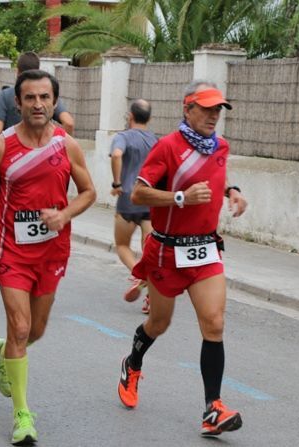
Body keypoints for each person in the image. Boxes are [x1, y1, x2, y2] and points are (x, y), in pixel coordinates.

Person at [0, 69, 95, 445]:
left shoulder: (67, 145)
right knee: (21, 327)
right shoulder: (1, 147)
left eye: (44, 97)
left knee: (35, 330)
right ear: (18, 102)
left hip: (52, 251)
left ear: (55, 102)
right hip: (10, 249)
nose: (38, 104)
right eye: (30, 98)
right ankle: (22, 414)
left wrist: (65, 214)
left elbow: (89, 192)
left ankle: (4, 352)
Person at [117, 80, 248, 438]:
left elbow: (214, 174)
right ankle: (132, 363)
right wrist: (180, 198)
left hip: (205, 250)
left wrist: (232, 190)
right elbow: (138, 192)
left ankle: (213, 409)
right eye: (206, 108)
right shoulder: (168, 147)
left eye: (218, 109)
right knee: (159, 323)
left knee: (214, 324)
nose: (214, 115)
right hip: (167, 252)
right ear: (187, 109)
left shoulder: (220, 146)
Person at [110, 99, 157, 313]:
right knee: (149, 250)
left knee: (122, 245)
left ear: (130, 116)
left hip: (128, 199)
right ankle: (151, 298)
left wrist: (117, 183)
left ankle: (139, 274)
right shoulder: (156, 140)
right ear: (149, 118)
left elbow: (117, 154)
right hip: (150, 199)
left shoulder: (123, 137)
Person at [0, 51, 75, 138]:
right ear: (38, 70)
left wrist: (12, 144)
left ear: (17, 72)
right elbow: (68, 123)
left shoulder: (5, 95)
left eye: (42, 97)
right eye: (29, 98)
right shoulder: (47, 96)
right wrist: (55, 143)